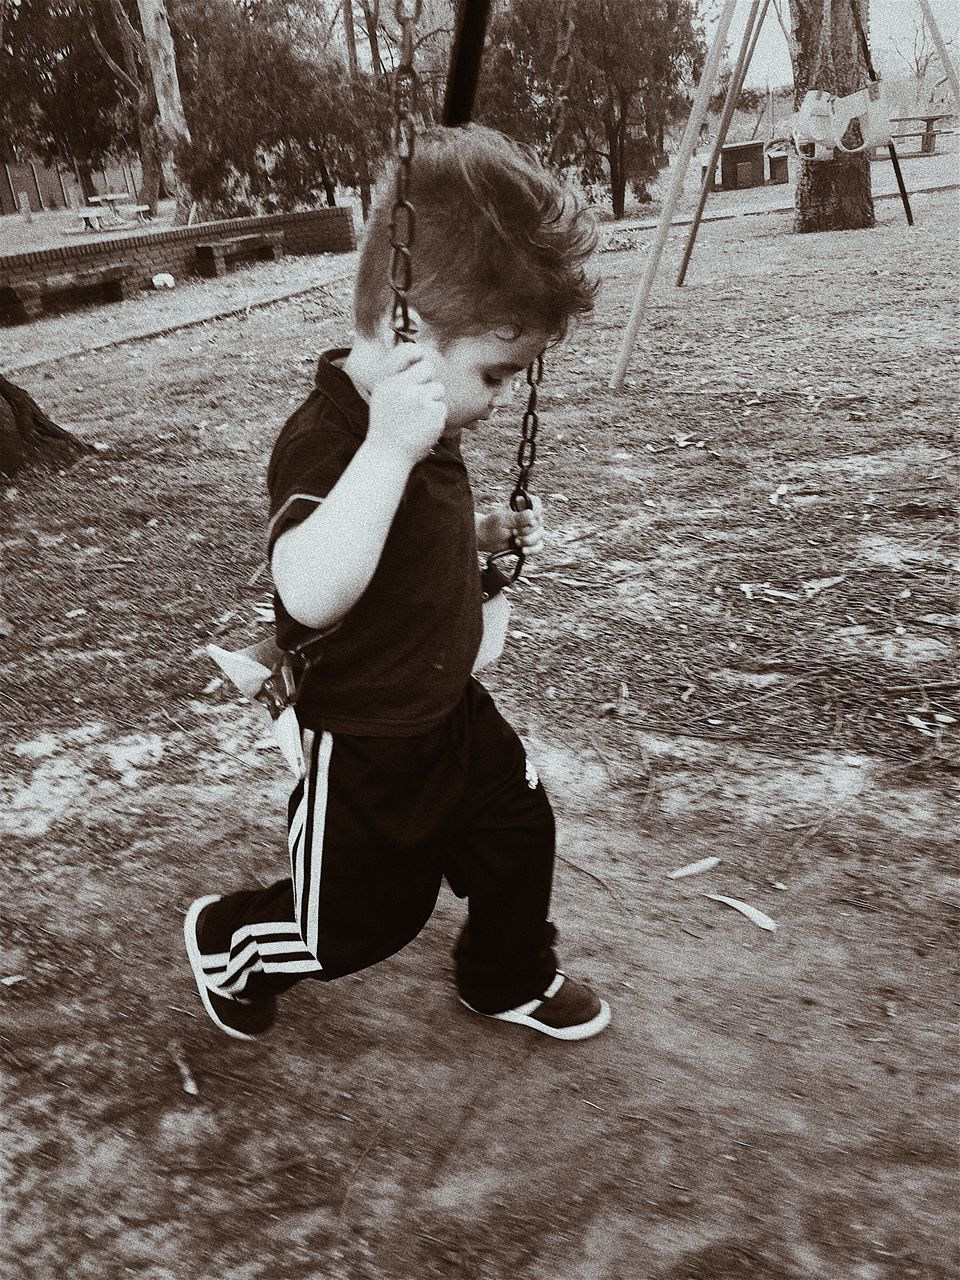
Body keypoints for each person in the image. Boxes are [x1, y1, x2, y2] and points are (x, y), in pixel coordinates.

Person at [184, 124, 610, 1044]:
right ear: (411, 331)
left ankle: (507, 973)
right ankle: (231, 943)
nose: (498, 398)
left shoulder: (422, 422)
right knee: (356, 924)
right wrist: (386, 448)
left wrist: (480, 532)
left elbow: (410, 532)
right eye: (495, 373)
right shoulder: (332, 437)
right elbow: (308, 588)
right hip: (368, 741)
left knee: (517, 830)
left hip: (450, 711)